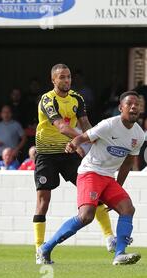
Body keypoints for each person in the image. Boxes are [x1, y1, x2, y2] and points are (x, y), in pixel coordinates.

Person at [37, 91, 145, 265]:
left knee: (127, 208)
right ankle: (45, 248)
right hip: (91, 172)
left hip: (108, 178)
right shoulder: (109, 124)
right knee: (86, 216)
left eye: (137, 104)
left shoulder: (139, 135)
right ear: (120, 108)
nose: (134, 107)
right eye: (129, 104)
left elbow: (127, 164)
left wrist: (118, 187)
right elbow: (84, 137)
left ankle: (119, 254)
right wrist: (73, 144)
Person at [33, 64, 115, 264]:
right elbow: (62, 127)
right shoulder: (47, 100)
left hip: (68, 151)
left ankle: (109, 237)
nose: (66, 80)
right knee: (43, 201)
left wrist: (96, 137)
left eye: (68, 77)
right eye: (62, 77)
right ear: (53, 80)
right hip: (46, 154)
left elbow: (85, 124)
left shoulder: (77, 98)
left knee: (93, 192)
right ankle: (39, 248)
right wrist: (87, 139)